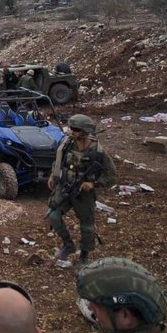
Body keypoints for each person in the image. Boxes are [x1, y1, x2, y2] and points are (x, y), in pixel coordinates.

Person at [46, 114, 116, 266]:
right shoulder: (67, 144)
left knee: (86, 225)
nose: (72, 132)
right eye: (71, 128)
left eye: (76, 129)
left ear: (84, 131)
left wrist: (94, 183)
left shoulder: (97, 152)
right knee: (53, 215)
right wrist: (53, 174)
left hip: (83, 193)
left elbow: (111, 175)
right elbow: (59, 160)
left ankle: (84, 255)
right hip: (65, 187)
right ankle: (68, 245)